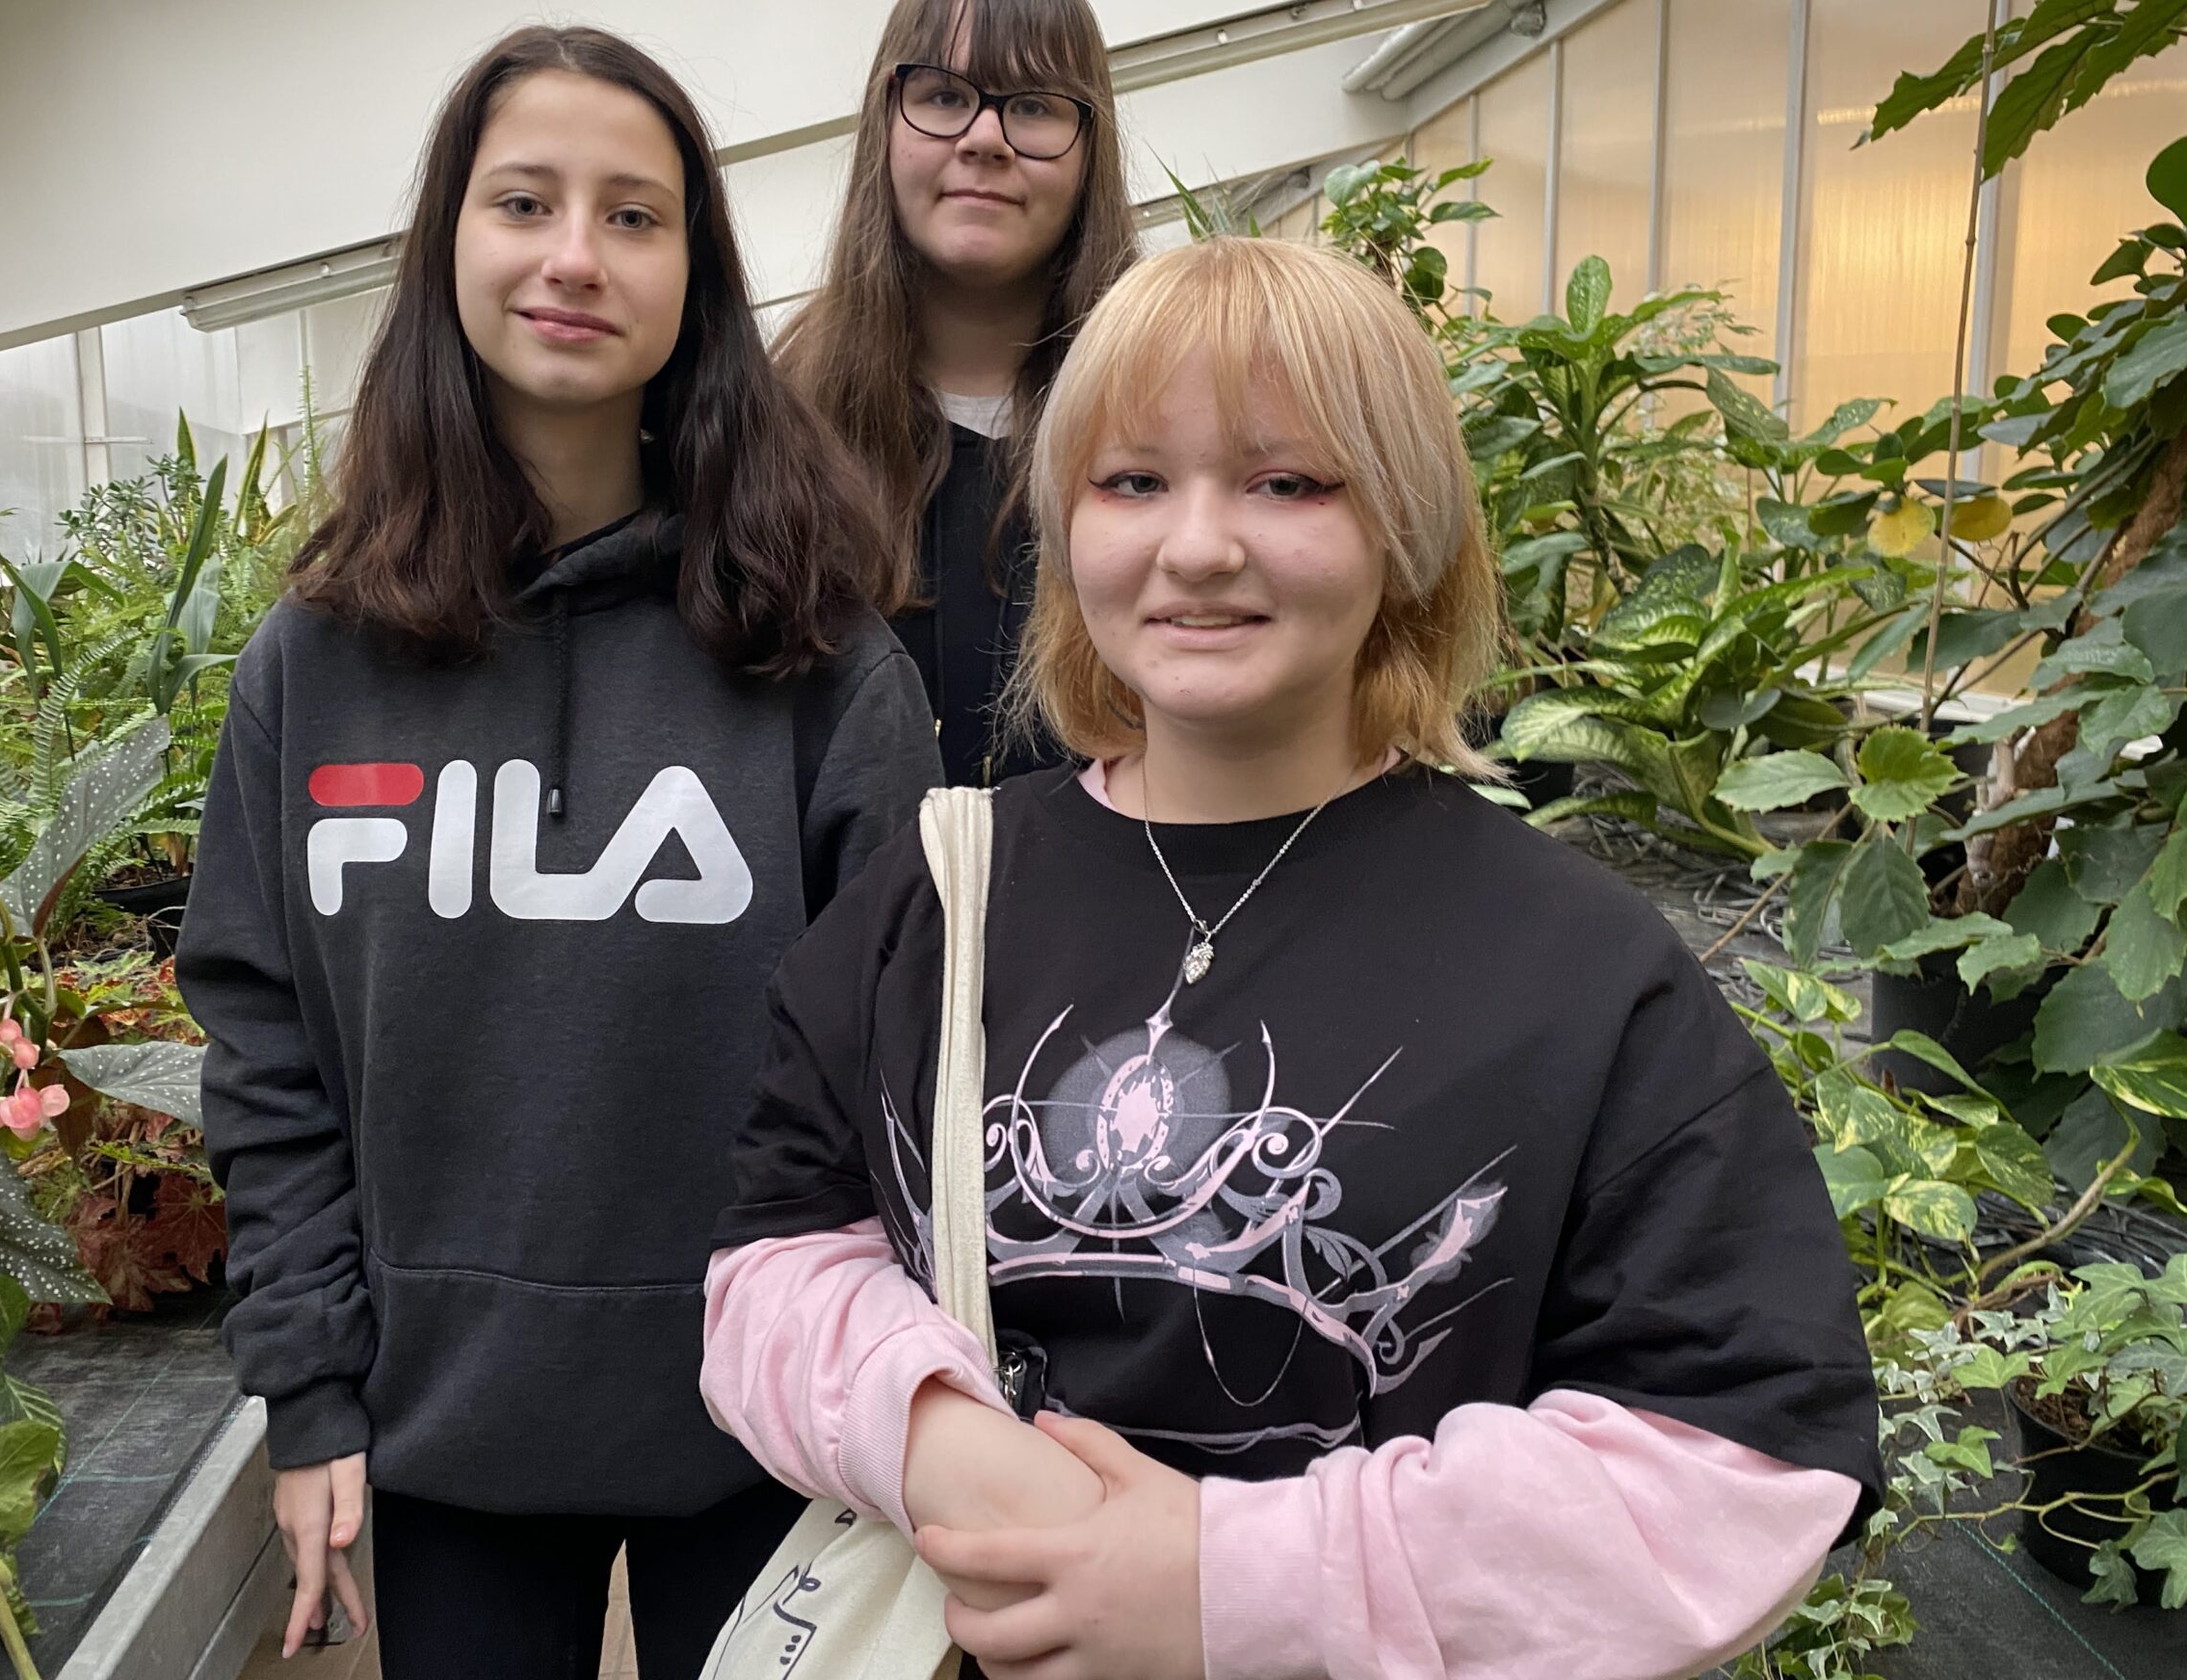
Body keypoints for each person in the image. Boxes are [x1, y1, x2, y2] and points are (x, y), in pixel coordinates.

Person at [703, 236, 1881, 1680]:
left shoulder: (1581, 971)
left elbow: (1739, 1457)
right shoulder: (942, 892)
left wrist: (1230, 1584)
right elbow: (776, 1255)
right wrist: (948, 1447)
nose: (1199, 546)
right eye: (1133, 481)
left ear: (1407, 527)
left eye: (1288, 482)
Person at [182, 25, 940, 1678]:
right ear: (449, 242)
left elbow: (905, 1069)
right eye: (525, 202)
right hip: (447, 1432)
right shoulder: (316, 660)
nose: (575, 258)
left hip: (768, 1427)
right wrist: (307, 1389)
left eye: (634, 215)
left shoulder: (818, 659)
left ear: (696, 273)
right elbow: (268, 1050)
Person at [778, 0, 1139, 785]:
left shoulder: (1163, 409)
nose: (984, 139)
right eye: (943, 96)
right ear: (886, 123)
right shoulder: (781, 421)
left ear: (1090, 146)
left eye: (1035, 106)